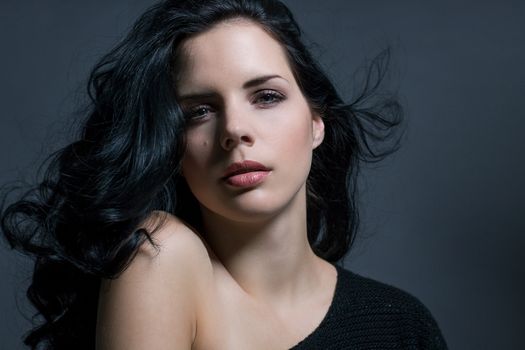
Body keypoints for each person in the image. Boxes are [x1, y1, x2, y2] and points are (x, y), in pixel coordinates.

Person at [0, 0, 448, 349]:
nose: (234, 130)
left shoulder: (400, 325)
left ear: (316, 123)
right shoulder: (159, 254)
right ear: (173, 147)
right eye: (199, 111)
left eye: (267, 96)